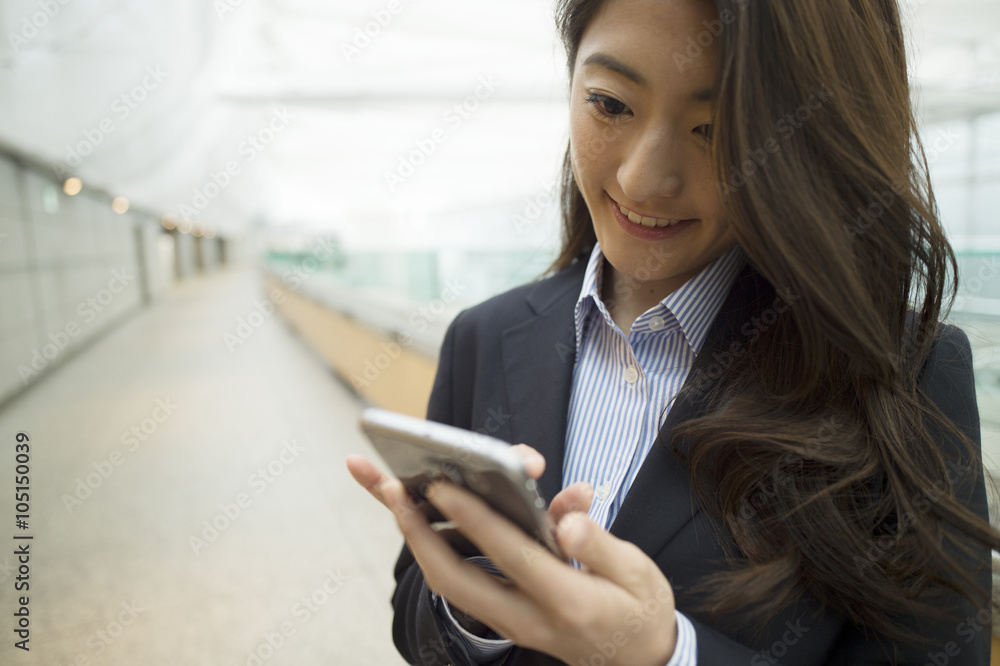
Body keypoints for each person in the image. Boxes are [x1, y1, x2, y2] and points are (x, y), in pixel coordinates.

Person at [347, 0, 1000, 663]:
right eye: (610, 104)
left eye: (715, 128)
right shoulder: (485, 337)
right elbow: (414, 613)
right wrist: (481, 603)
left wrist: (666, 654)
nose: (642, 179)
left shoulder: (902, 377)